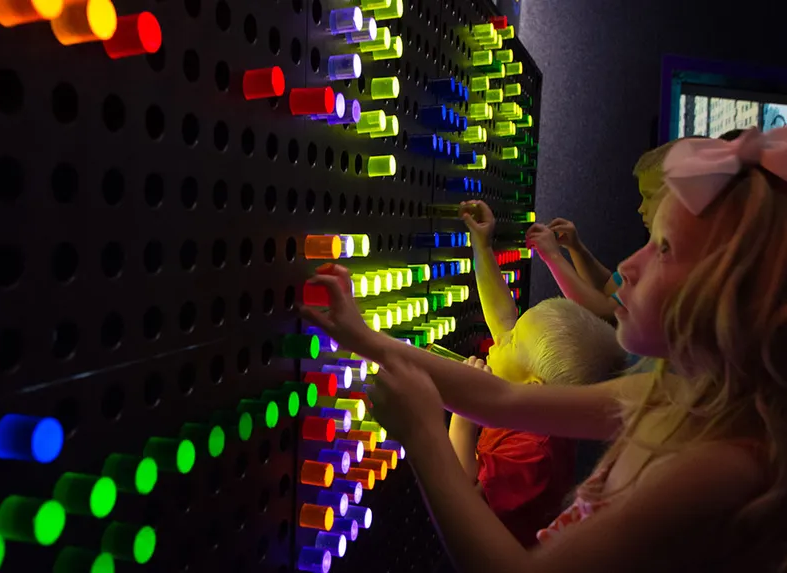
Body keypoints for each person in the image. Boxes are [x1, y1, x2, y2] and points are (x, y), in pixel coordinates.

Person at [300, 126, 787, 571]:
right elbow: (500, 399)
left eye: (661, 248)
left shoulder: (724, 470)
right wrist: (364, 338)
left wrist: (425, 435)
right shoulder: (668, 394)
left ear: (736, 295)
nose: (630, 268)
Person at [447, 200, 626, 547]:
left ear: (533, 385)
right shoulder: (538, 409)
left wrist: (462, 417)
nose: (501, 339)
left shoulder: (533, 455)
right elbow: (502, 320)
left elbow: (463, 496)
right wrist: (482, 245)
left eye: (512, 342)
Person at [532, 131, 745, 323]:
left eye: (650, 197)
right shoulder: (663, 253)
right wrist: (576, 249)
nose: (641, 208)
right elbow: (609, 287)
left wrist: (553, 256)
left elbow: (603, 313)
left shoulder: (678, 264)